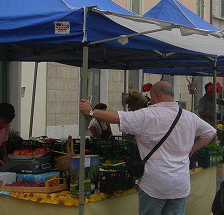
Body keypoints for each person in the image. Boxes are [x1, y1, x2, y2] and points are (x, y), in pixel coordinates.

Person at [79, 81, 216, 215]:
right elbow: (210, 132)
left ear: (157, 96)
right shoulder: (189, 116)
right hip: (180, 183)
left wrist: (91, 112)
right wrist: (192, 149)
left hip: (155, 182)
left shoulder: (147, 114)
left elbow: (118, 117)